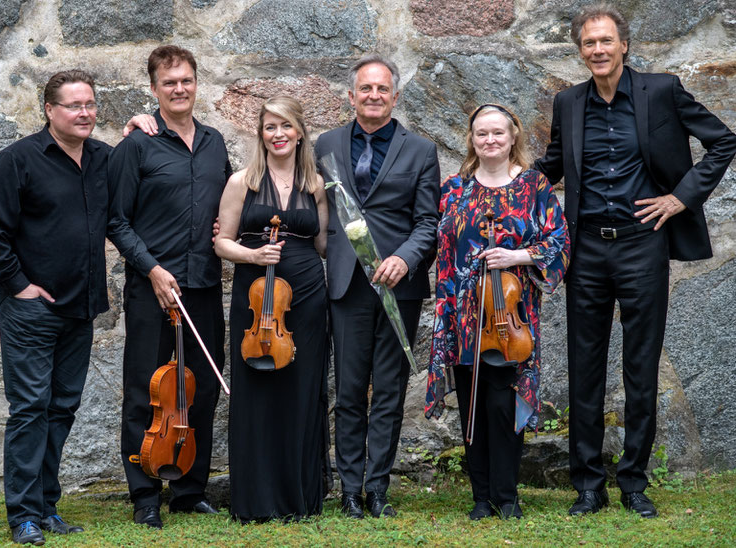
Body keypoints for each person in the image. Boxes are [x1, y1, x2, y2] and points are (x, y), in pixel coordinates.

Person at [535, 3, 736, 518]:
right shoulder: (568, 102)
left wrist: (680, 198)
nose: (597, 50)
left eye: (605, 41)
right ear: (580, 51)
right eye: (588, 44)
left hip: (643, 243)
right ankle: (587, 484)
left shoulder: (662, 91)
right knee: (584, 367)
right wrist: (495, 184)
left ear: (624, 44)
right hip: (586, 249)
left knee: (640, 367)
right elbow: (554, 164)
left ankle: (633, 482)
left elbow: (723, 141)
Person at [0, 70, 108, 545]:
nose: (85, 113)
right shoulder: (17, 160)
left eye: (90, 104)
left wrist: (139, 125)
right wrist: (18, 285)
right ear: (49, 110)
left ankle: (48, 507)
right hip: (32, 312)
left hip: (81, 308)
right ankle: (23, 515)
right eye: (74, 106)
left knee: (62, 409)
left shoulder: (102, 159)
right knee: (30, 409)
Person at [424, 104, 570, 519]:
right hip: (462, 315)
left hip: (510, 315)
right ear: (472, 140)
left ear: (513, 138)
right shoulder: (454, 189)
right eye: (481, 134)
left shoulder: (533, 186)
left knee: (502, 406)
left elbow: (559, 242)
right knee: (472, 405)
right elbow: (438, 245)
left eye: (498, 134)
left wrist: (517, 255)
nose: (490, 140)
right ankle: (481, 498)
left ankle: (508, 496)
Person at [107, 45, 231, 529]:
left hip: (200, 285)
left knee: (199, 391)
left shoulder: (216, 142)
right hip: (152, 288)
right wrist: (152, 269)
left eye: (186, 80)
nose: (179, 89)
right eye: (169, 82)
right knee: (145, 391)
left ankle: (188, 488)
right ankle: (144, 494)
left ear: (196, 83)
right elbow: (117, 221)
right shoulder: (137, 145)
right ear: (154, 89)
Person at [314, 54, 441, 518]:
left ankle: (378, 489)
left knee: (388, 391)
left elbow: (428, 222)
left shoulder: (421, 151)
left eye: (382, 89)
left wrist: (405, 261)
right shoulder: (325, 144)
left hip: (398, 288)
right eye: (364, 89)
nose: (373, 96)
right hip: (346, 286)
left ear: (395, 95)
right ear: (351, 96)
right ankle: (349, 490)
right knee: (348, 391)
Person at [214, 95, 329, 522]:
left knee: (301, 389)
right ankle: (256, 499)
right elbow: (222, 241)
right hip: (256, 297)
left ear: (299, 133)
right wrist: (252, 257)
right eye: (269, 127)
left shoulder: (315, 184)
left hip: (306, 297)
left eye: (285, 126)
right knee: (256, 391)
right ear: (260, 135)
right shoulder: (242, 182)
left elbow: (322, 245)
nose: (277, 135)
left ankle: (297, 497)